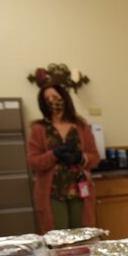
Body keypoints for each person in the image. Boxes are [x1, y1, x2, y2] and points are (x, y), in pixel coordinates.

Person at [27, 84, 100, 233]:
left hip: (80, 190)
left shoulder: (80, 126)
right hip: (52, 192)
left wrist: (80, 157)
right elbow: (33, 162)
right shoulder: (39, 128)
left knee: (82, 235)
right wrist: (54, 154)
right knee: (58, 237)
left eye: (55, 97)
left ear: (64, 98)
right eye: (47, 99)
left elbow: (94, 157)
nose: (52, 101)